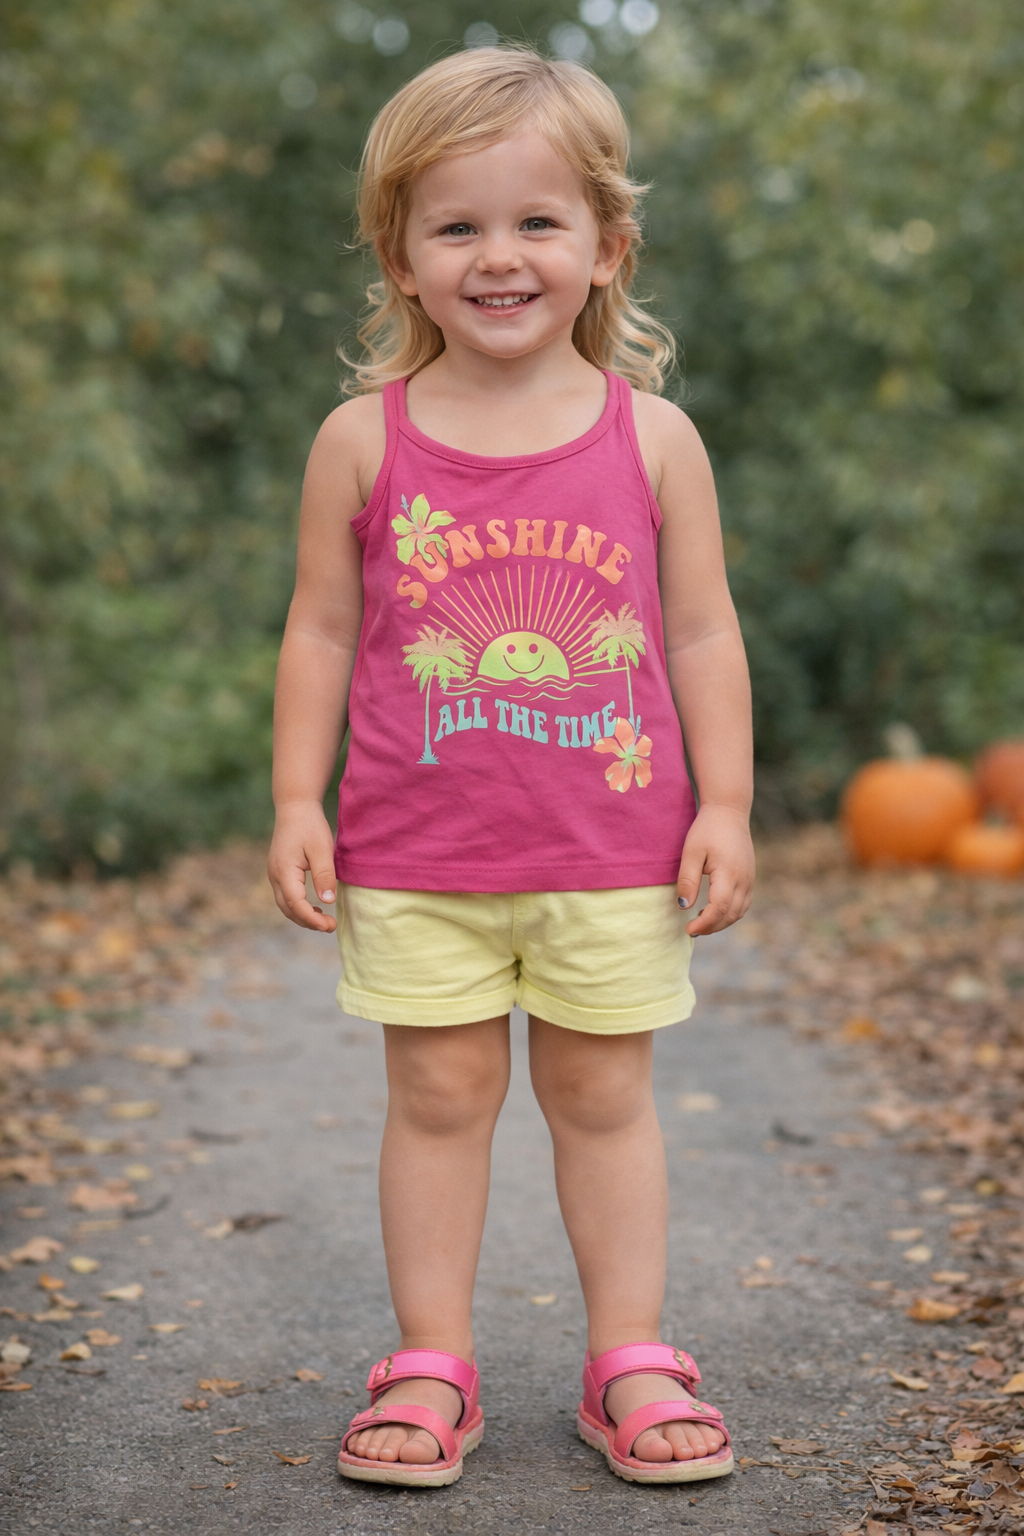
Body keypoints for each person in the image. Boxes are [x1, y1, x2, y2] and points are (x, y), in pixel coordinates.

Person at [268, 45, 754, 1490]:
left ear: (606, 245)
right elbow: (318, 630)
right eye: (456, 226)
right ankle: (431, 1361)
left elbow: (707, 632)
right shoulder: (362, 442)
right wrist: (298, 796)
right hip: (421, 857)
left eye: (537, 222)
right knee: (435, 1101)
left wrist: (724, 801)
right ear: (401, 257)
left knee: (606, 1104)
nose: (500, 257)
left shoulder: (653, 439)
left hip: (611, 853)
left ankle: (630, 1357)